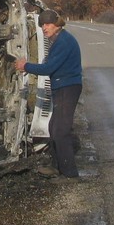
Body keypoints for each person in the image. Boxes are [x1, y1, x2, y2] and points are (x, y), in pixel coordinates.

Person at [15, 9, 82, 179]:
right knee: (53, 127)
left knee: (61, 130)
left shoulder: (64, 42)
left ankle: (70, 172)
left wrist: (26, 66)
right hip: (62, 86)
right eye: (42, 24)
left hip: (68, 87)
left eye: (48, 24)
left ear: (57, 24)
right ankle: (56, 166)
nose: (45, 27)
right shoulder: (58, 39)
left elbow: (48, 68)